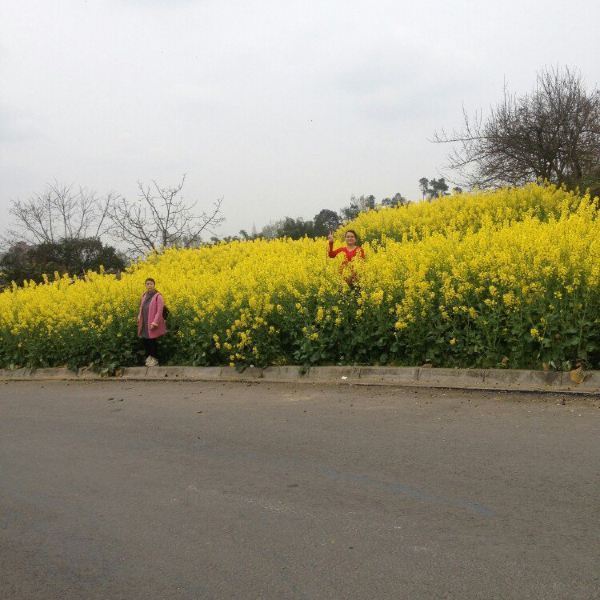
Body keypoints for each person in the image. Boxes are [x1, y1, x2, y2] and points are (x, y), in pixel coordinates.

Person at [137, 278, 167, 367]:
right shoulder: (144, 295)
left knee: (152, 341)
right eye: (147, 284)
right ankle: (149, 358)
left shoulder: (158, 296)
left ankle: (155, 359)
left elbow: (159, 310)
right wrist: (139, 316)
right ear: (145, 285)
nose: (149, 285)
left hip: (152, 322)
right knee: (145, 340)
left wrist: (155, 322)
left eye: (150, 284)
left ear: (154, 285)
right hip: (144, 322)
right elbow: (141, 307)